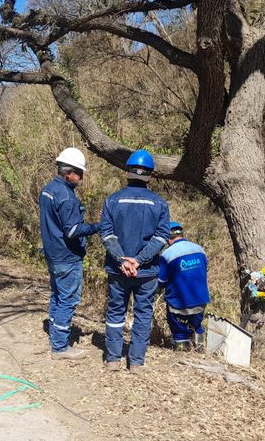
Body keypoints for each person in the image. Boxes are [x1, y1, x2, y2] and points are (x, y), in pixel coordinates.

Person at [100, 150, 171, 373]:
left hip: (117, 269)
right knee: (143, 314)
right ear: (150, 176)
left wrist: (122, 259)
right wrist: (139, 261)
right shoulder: (159, 204)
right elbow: (161, 237)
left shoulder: (112, 200)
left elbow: (107, 234)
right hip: (147, 272)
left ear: (127, 172)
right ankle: (137, 362)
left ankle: (113, 359)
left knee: (115, 312)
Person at [39, 147, 100, 360]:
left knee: (57, 295)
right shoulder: (66, 196)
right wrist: (97, 227)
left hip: (53, 253)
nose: (81, 178)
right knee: (68, 300)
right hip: (67, 256)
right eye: (79, 173)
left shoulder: (47, 190)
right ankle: (60, 347)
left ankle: (55, 337)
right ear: (68, 173)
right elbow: (73, 230)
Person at [157, 222, 211, 352]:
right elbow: (205, 269)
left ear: (167, 237)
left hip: (178, 302)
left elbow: (161, 281)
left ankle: (183, 351)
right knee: (197, 326)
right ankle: (200, 349)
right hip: (201, 299)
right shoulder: (199, 249)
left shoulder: (167, 254)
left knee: (179, 330)